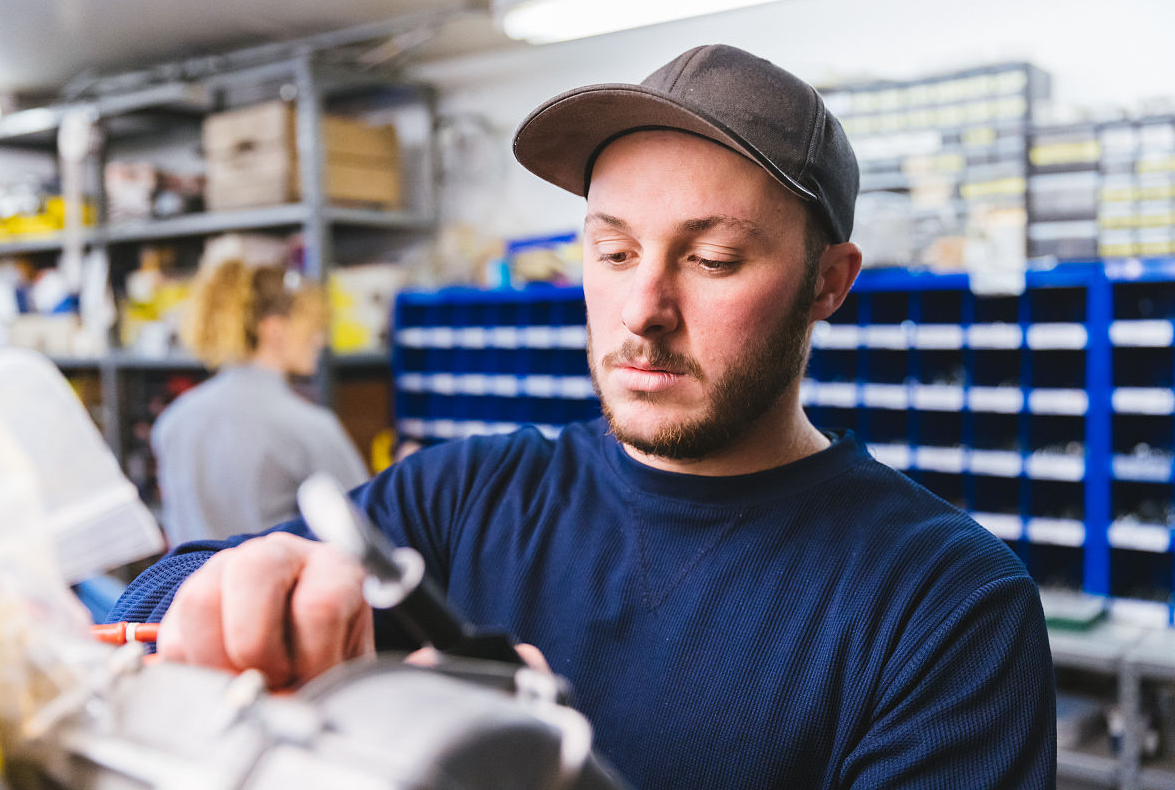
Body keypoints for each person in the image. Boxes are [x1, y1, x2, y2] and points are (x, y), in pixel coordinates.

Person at [112, 45, 1056, 788]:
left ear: (827, 284)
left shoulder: (945, 605)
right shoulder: (468, 492)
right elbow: (157, 600)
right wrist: (234, 591)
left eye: (714, 260)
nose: (643, 307)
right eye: (612, 253)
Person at [150, 256, 368, 545]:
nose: (320, 340)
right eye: (312, 326)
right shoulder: (308, 428)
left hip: (192, 588)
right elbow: (368, 531)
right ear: (275, 330)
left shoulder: (172, 422)